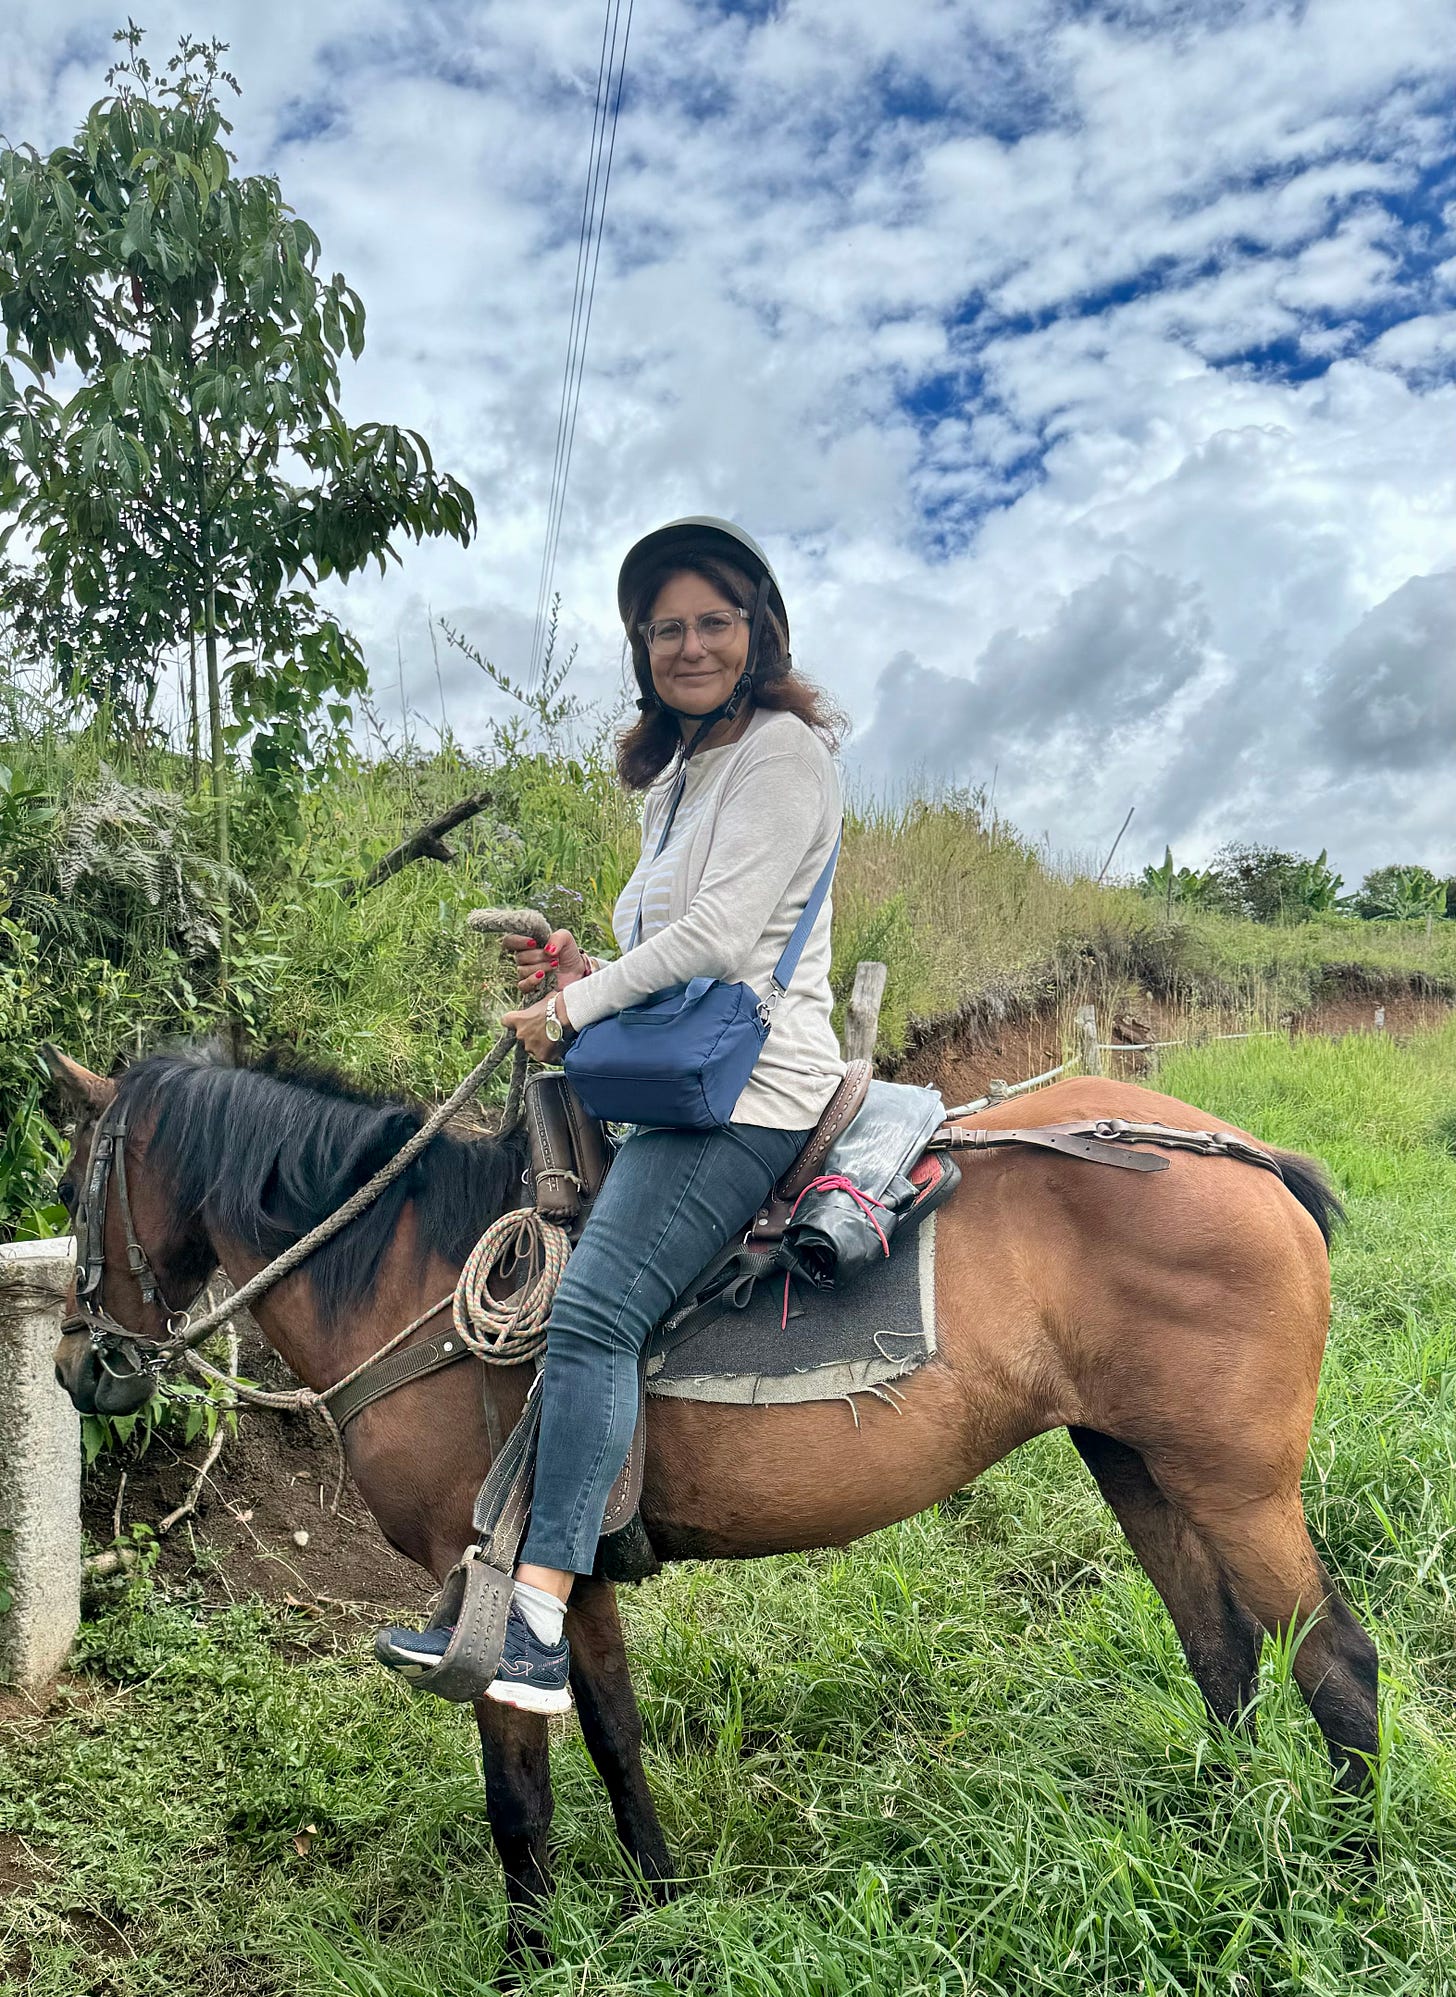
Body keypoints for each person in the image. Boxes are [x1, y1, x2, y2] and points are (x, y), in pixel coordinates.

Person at [394, 519, 846, 1711]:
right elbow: (669, 946)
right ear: (641, 648)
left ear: (758, 629)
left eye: (712, 621)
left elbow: (725, 941)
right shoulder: (683, 771)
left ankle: (537, 1619)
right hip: (692, 1069)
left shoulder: (784, 751)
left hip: (753, 1088)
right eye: (665, 628)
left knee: (591, 1309)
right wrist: (582, 965)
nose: (689, 644)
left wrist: (571, 1011)